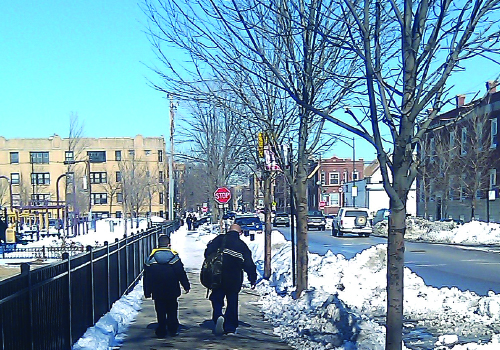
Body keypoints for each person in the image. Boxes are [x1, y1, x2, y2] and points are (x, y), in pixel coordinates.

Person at [203, 223, 257, 335]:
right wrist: (252, 278)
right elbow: (249, 264)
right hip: (234, 278)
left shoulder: (219, 239)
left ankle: (218, 315)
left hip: (217, 276)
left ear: (228, 230)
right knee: (232, 301)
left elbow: (207, 253)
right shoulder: (241, 245)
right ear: (240, 233)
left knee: (217, 298)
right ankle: (230, 326)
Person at [143, 234, 190, 338]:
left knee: (160, 310)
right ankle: (172, 328)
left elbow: (147, 276)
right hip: (172, 289)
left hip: (157, 290)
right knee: (172, 309)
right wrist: (186, 285)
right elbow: (180, 273)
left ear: (158, 245)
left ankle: (162, 329)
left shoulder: (151, 259)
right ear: (169, 244)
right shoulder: (174, 258)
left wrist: (147, 291)